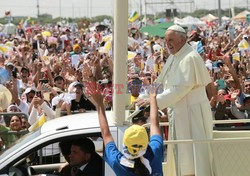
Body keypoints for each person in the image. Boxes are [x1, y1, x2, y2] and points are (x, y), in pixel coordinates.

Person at [136, 25, 214, 176]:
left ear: (182, 39)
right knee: (181, 154)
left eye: (171, 40)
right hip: (179, 112)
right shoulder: (174, 55)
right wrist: (145, 96)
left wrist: (153, 102)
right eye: (166, 40)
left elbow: (180, 89)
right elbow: (162, 81)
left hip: (192, 113)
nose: (167, 43)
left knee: (192, 157)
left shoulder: (189, 57)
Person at [91, 84, 163, 176]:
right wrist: (153, 97)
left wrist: (99, 103)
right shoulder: (155, 151)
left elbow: (106, 134)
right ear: (146, 143)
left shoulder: (117, 161)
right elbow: (154, 124)